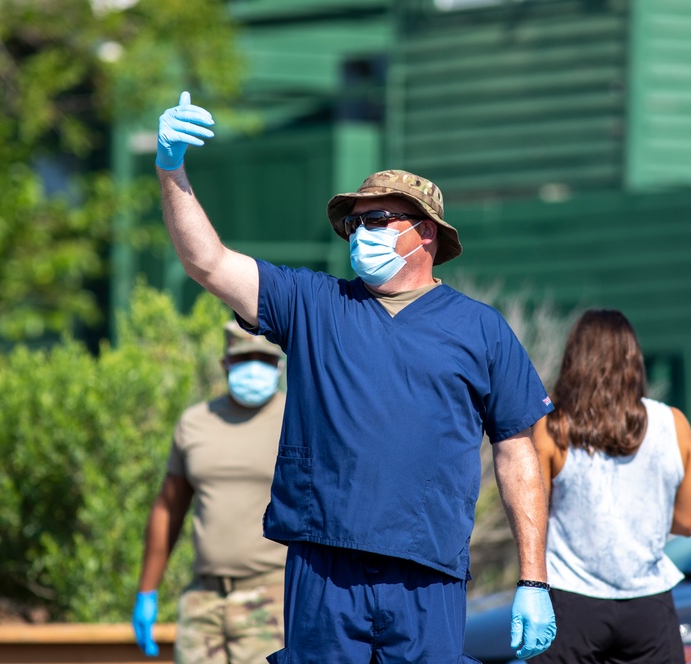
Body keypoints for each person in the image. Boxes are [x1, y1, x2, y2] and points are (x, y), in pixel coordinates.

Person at [152, 92, 557, 663]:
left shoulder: (480, 329)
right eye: (354, 222)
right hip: (324, 566)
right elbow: (209, 262)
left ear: (426, 234)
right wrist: (172, 169)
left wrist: (534, 581)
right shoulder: (313, 303)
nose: (360, 232)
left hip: (427, 572)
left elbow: (519, 453)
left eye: (377, 220)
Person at [530, 309, 691, 664]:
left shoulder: (552, 427)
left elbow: (532, 515)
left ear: (575, 359)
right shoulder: (674, 423)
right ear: (633, 360)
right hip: (648, 605)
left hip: (570, 601)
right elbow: (687, 522)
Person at [132, 321, 288, 663]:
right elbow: (168, 507)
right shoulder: (196, 422)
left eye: (263, 358)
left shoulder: (298, 420)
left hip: (273, 596)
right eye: (243, 357)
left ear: (279, 364)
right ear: (225, 364)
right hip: (203, 598)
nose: (254, 366)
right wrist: (147, 590)